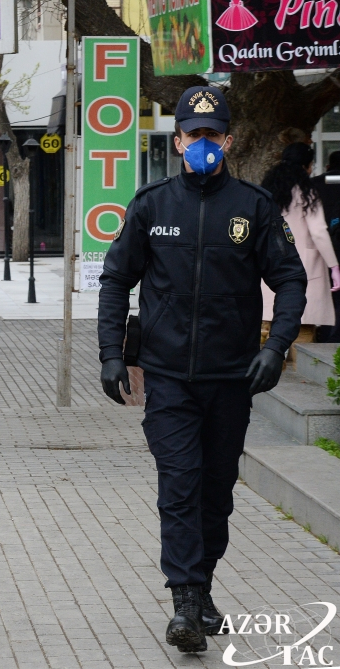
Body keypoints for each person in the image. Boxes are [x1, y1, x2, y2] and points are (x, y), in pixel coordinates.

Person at [97, 86, 306, 654]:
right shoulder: (152, 205)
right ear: (179, 139)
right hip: (166, 377)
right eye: (194, 134)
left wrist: (276, 344)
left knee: (216, 494)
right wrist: (111, 353)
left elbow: (290, 279)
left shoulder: (254, 208)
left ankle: (203, 584)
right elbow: (116, 279)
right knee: (181, 487)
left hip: (232, 377)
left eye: (213, 135)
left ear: (228, 140)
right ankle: (185, 603)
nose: (203, 144)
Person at [260, 143, 340, 349]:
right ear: (306, 166)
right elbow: (319, 232)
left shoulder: (267, 190)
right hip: (304, 269)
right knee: (302, 339)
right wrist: (334, 266)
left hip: (270, 267)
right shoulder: (307, 192)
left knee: (267, 331)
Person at [312, 150, 340, 342]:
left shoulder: (314, 183)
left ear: (328, 166)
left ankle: (325, 333)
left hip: (321, 245)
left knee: (326, 290)